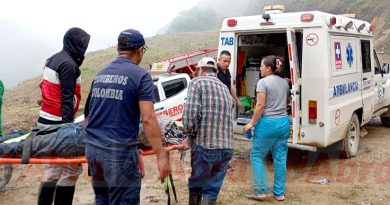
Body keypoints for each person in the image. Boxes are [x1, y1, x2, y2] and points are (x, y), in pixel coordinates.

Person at [84, 29, 171, 204]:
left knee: (102, 199)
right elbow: (148, 119)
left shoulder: (101, 74)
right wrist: (161, 156)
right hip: (119, 155)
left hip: (94, 152)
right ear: (140, 51)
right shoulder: (141, 76)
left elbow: (88, 114)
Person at [37, 27, 90, 205]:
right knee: (71, 169)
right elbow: (67, 99)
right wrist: (69, 132)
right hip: (58, 124)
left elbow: (48, 88)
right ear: (76, 45)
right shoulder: (68, 65)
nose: (84, 50)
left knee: (52, 170)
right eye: (83, 45)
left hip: (45, 121)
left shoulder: (53, 59)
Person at [182, 57, 234, 205]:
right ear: (215, 71)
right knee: (212, 189)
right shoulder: (224, 88)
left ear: (200, 70)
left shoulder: (197, 82)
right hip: (226, 148)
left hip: (205, 146)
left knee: (197, 185)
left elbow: (191, 116)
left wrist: (189, 137)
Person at [243, 55, 290, 201]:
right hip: (283, 122)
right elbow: (286, 102)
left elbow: (260, 105)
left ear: (269, 68)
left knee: (256, 156)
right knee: (280, 159)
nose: (260, 69)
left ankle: (261, 191)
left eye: (261, 66)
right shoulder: (284, 83)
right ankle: (279, 193)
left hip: (268, 123)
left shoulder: (263, 82)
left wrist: (251, 123)